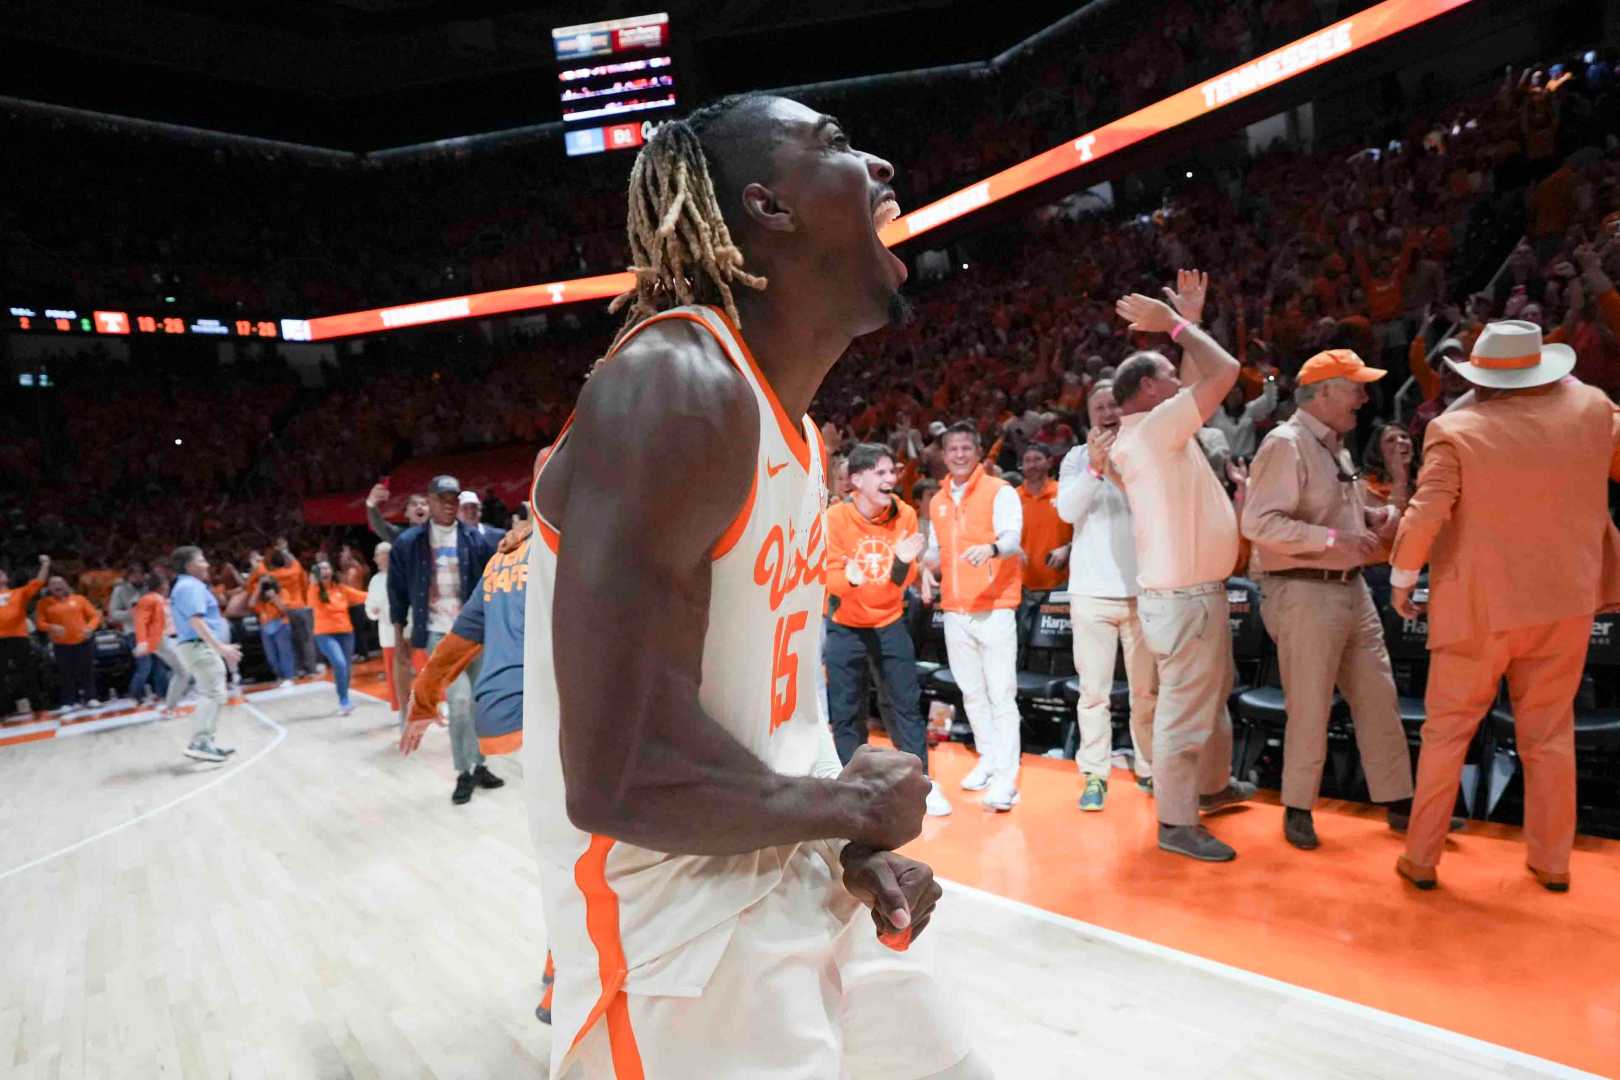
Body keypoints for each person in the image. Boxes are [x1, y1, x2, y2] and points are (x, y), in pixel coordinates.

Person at [524, 96, 984, 1079]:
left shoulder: (794, 433)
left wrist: (849, 848)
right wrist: (844, 810)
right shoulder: (674, 387)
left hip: (787, 889)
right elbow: (621, 773)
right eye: (838, 143)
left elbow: (753, 726)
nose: (880, 165)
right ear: (769, 207)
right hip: (681, 953)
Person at [1390, 320, 1620, 892]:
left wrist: (1402, 577)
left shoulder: (1455, 429)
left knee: (1447, 734)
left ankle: (1421, 858)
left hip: (1479, 607)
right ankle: (1553, 862)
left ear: (1481, 378)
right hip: (1566, 602)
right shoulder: (1592, 408)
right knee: (1549, 735)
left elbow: (1425, 513)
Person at [1241, 350, 1420, 851]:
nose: (1365, 398)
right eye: (1356, 387)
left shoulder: (1333, 445)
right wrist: (1332, 540)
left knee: (1379, 697)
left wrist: (1371, 517)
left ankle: (1402, 805)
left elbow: (1336, 511)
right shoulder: (1285, 443)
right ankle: (1298, 807)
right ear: (1321, 394)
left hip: (1349, 589)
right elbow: (1258, 524)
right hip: (1303, 589)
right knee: (1311, 705)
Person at [1109, 272, 1256, 863]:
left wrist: (1189, 319)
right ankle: (1175, 821)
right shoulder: (1156, 430)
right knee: (1184, 712)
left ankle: (1212, 789)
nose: (1178, 384)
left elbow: (1198, 376)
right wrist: (1177, 325)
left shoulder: (1150, 428)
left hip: (1192, 594)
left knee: (1206, 702)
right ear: (1148, 389)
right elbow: (1225, 373)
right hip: (1185, 597)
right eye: (1168, 377)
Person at [825, 443, 951, 816]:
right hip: (845, 627)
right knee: (846, 711)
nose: (890, 479)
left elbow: (901, 581)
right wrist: (846, 579)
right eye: (880, 473)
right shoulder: (836, 517)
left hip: (889, 621)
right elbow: (827, 576)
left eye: (891, 472)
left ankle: (919, 786)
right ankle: (853, 788)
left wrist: (901, 562)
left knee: (904, 706)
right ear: (857, 480)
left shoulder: (905, 514)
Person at [1056, 382, 1156, 811]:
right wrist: (1095, 469)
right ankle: (1094, 773)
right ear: (1090, 415)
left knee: (1146, 693)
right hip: (1089, 594)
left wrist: (1115, 467)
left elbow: (1152, 507)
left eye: (1114, 403)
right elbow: (1067, 512)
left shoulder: (1147, 451)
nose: (1108, 411)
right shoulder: (1076, 458)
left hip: (1142, 591)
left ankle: (1150, 767)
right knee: (1093, 693)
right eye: (1099, 406)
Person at [924, 421, 1025, 813]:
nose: (960, 455)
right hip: (955, 609)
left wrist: (993, 549)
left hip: (995, 607)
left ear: (978, 451)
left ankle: (1006, 778)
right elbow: (936, 550)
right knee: (972, 693)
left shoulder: (1000, 491)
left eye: (966, 448)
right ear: (944, 455)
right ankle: (988, 758)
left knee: (1002, 694)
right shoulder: (937, 500)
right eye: (953, 449)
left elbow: (1013, 539)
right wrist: (924, 567)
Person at [388, 473, 503, 804]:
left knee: (478, 702)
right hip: (439, 633)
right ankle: (463, 771)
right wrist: (401, 641)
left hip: (474, 633)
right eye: (443, 499)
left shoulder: (475, 540)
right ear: (430, 500)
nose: (450, 504)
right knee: (459, 701)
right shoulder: (409, 543)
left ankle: (479, 764)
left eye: (454, 499)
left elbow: (491, 585)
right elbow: (397, 595)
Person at [169, 546, 240, 763]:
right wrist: (221, 647)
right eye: (202, 560)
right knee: (212, 694)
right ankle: (200, 742)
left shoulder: (186, 585)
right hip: (198, 645)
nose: (207, 564)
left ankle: (206, 742)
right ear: (190, 566)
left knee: (214, 693)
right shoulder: (190, 586)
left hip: (194, 646)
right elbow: (196, 621)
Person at [308, 559, 369, 716]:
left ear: (332, 570)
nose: (324, 571)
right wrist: (314, 580)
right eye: (321, 569)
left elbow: (362, 596)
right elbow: (311, 599)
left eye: (327, 567)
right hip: (325, 634)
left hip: (346, 632)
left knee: (346, 668)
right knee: (340, 664)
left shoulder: (341, 589)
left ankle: (345, 699)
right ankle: (343, 701)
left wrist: (382, 592)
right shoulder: (313, 590)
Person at [36, 576, 103, 711]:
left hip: (83, 641)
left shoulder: (79, 599)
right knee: (66, 673)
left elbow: (95, 616)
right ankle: (70, 701)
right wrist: (52, 627)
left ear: (66, 585)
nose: (57, 586)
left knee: (87, 670)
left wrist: (90, 628)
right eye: (53, 584)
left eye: (60, 583)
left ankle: (91, 698)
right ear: (49, 588)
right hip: (61, 643)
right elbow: (39, 623)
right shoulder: (44, 603)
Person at [250, 543, 316, 677]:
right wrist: (285, 551)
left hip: (284, 609)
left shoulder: (271, 574)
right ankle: (311, 669)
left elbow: (259, 571)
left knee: (290, 644)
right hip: (299, 607)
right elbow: (296, 564)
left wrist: (259, 560)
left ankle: (297, 670)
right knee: (306, 641)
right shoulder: (293, 571)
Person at [1016, 443, 1072, 597]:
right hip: (1020, 584)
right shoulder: (1011, 497)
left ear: (1049, 462)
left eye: (1037, 459)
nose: (1032, 464)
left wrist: (1067, 548)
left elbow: (1084, 532)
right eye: (1027, 460)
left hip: (1062, 583)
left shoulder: (1065, 491)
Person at [0, 555, 50, 717]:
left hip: (18, 637)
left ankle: (38, 707)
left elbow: (39, 582)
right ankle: (3, 711)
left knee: (28, 672)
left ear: (6, 578)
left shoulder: (18, 593)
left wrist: (46, 564)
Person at [363, 541, 404, 709]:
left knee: (420, 667)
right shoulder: (375, 580)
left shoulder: (404, 574)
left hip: (407, 630)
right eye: (381, 554)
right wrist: (373, 611)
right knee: (392, 671)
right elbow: (369, 605)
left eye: (387, 553)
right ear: (376, 559)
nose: (384, 558)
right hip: (387, 632)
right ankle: (399, 705)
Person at [1205, 378, 1279, 462]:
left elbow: (1269, 401)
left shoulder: (1250, 409)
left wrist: (1269, 379)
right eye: (1231, 393)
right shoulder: (1215, 411)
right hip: (1219, 461)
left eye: (1237, 393)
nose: (1234, 397)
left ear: (1243, 395)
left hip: (1244, 461)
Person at [127, 573, 171, 705]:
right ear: (162, 585)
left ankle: (163, 694)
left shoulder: (160, 599)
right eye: (166, 583)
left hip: (156, 637)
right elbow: (140, 622)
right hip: (143, 637)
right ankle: (135, 695)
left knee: (159, 667)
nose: (168, 586)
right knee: (145, 667)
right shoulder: (147, 599)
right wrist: (142, 642)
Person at [253, 574, 296, 687]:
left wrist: (275, 597)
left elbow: (285, 609)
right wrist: (258, 588)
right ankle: (279, 676)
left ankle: (289, 677)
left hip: (281, 624)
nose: (267, 586)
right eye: (264, 584)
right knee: (271, 655)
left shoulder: (283, 592)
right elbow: (251, 604)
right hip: (266, 627)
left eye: (269, 583)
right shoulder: (260, 595)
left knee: (285, 653)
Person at [366, 482, 431, 544]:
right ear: (406, 513)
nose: (419, 507)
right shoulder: (401, 536)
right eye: (414, 504)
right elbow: (380, 526)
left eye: (423, 504)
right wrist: (371, 503)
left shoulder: (439, 532)